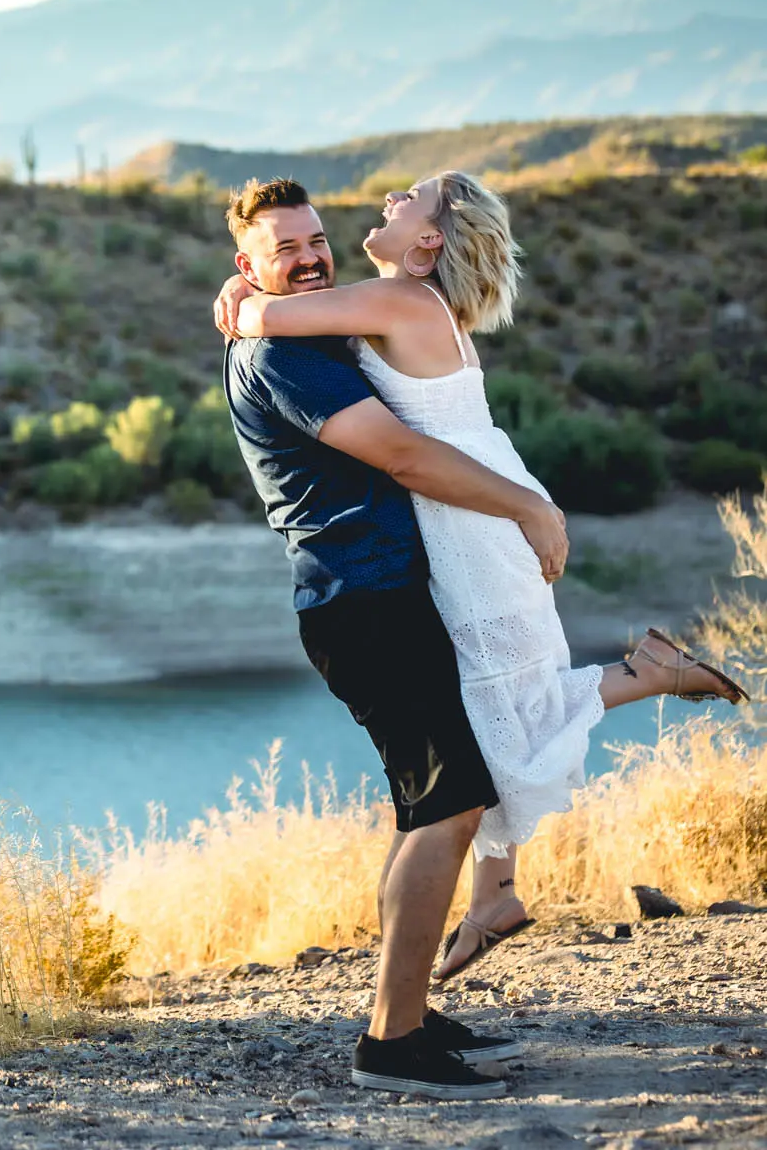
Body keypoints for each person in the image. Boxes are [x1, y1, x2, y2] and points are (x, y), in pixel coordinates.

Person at [213, 171, 745, 985]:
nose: (387, 203)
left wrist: (243, 293)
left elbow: (265, 318)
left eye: (407, 201)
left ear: (430, 239)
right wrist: (246, 282)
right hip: (472, 505)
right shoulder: (393, 302)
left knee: (500, 702)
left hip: (472, 511)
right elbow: (274, 316)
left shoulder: (394, 301)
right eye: (293, 244)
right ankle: (497, 892)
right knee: (494, 701)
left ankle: (640, 690)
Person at [215, 176, 567, 1099]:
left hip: (391, 594)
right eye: (284, 249)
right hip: (362, 601)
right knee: (449, 806)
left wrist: (247, 293)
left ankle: (404, 1009)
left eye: (314, 241)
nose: (309, 258)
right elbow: (405, 455)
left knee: (431, 807)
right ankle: (391, 1044)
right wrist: (530, 507)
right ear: (248, 260)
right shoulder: (285, 358)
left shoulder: (310, 326)